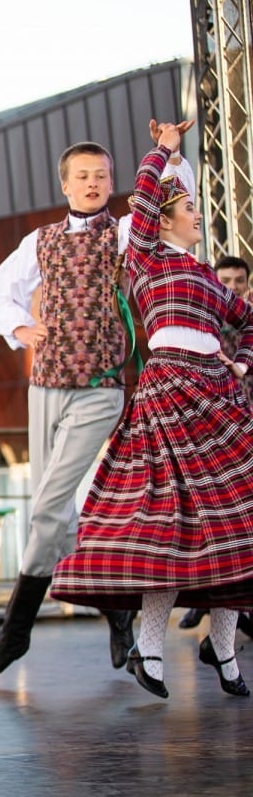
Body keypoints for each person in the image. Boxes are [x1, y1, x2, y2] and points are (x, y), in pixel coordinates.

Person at [0, 122, 196, 680]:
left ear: (112, 183)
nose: (94, 184)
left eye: (102, 176)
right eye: (83, 177)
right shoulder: (40, 240)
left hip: (99, 387)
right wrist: (20, 328)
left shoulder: (125, 233)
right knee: (59, 512)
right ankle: (117, 613)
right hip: (45, 385)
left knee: (47, 506)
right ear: (66, 186)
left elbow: (169, 195)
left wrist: (168, 154)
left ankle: (15, 629)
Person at [52, 122, 253, 699]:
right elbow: (141, 200)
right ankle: (152, 647)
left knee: (233, 528)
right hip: (169, 395)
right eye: (189, 207)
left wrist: (240, 365)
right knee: (170, 528)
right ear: (165, 219)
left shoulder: (209, 281)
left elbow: (250, 323)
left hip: (220, 400)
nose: (197, 215)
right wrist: (162, 150)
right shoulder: (144, 257)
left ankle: (225, 647)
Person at [179, 255, 253, 632]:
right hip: (211, 430)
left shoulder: (246, 322)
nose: (233, 287)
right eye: (226, 280)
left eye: (239, 280)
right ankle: (205, 601)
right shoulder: (204, 317)